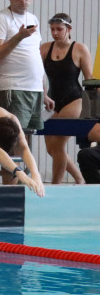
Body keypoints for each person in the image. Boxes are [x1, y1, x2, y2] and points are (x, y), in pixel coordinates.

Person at [0, 0, 44, 135]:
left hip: (35, 88)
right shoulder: (0, 19)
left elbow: (36, 56)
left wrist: (44, 91)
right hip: (14, 87)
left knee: (30, 134)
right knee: (14, 136)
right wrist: (19, 37)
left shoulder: (33, 19)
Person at [40, 13, 93, 183]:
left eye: (59, 29)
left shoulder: (79, 49)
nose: (55, 33)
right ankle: (79, 178)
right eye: (52, 29)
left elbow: (89, 79)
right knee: (51, 148)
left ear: (69, 29)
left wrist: (94, 107)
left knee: (58, 144)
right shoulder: (44, 49)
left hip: (74, 100)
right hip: (52, 100)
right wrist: (43, 94)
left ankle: (55, 186)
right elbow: (37, 75)